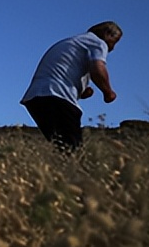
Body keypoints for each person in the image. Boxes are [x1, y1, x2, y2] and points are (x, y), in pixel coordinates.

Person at [20, 21, 121, 151]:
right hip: (58, 96)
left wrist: (83, 91)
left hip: (36, 98)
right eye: (115, 41)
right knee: (73, 151)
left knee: (62, 149)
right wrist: (108, 92)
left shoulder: (74, 42)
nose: (112, 48)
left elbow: (61, 71)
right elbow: (97, 68)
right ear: (107, 34)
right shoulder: (98, 42)